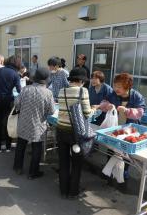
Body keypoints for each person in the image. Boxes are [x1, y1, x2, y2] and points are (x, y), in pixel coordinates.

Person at [57, 68, 97, 199]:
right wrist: (94, 109)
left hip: (61, 130)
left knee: (63, 162)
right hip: (75, 134)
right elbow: (86, 114)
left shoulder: (62, 91)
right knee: (76, 163)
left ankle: (63, 190)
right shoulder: (82, 91)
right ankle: (73, 192)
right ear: (80, 80)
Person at [99, 73, 146, 179]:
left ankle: (123, 172)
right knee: (111, 149)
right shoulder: (112, 94)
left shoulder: (136, 96)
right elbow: (103, 103)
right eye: (115, 86)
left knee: (125, 152)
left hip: (129, 130)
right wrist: (107, 105)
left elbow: (140, 112)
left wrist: (127, 111)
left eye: (119, 87)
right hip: (115, 128)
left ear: (128, 86)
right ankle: (110, 171)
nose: (116, 89)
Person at [13, 67, 55, 179]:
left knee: (21, 145)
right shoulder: (48, 93)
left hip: (24, 122)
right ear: (46, 80)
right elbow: (51, 111)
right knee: (37, 148)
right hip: (38, 124)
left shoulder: (26, 89)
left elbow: (17, 104)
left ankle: (18, 167)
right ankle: (33, 172)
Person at [0, 55, 21, 152]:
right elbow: (20, 90)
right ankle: (8, 146)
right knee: (8, 122)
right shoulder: (15, 74)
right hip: (9, 100)